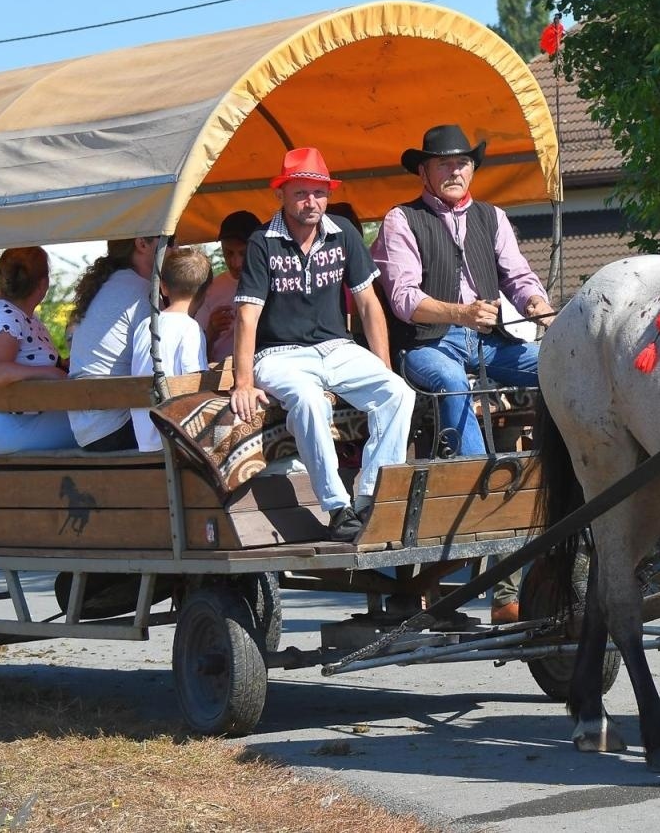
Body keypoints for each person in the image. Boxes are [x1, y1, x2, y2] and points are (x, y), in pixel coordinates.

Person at [371, 124, 556, 622]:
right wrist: (459, 313)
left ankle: (563, 459)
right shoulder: (401, 221)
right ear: (425, 172)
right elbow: (405, 300)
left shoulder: (491, 217)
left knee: (555, 366)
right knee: (450, 382)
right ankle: (477, 475)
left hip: (492, 341)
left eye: (463, 163)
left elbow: (518, 277)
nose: (455, 171)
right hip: (429, 344)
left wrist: (540, 307)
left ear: (473, 168)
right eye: (444, 164)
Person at [229, 147, 415, 543]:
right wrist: (242, 382)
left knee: (397, 392)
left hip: (336, 347)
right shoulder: (263, 241)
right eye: (301, 193)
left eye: (318, 193)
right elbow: (247, 315)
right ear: (281, 194)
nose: (311, 202)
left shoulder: (344, 233)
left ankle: (370, 496)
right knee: (308, 400)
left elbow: (368, 303)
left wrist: (382, 365)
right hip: (279, 354)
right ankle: (336, 506)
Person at [0, 247, 76, 453]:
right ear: (43, 284)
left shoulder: (15, 315)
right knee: (102, 426)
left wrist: (62, 365)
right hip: (12, 425)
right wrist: (49, 372)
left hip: (19, 421)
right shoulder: (7, 316)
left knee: (100, 424)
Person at [67, 237, 164, 451]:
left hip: (86, 429)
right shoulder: (142, 291)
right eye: (170, 240)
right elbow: (160, 359)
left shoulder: (106, 285)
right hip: (115, 427)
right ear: (142, 244)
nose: (175, 248)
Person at [131, 247, 211, 451]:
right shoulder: (190, 328)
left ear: (163, 288)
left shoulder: (145, 325)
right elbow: (194, 386)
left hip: (145, 437)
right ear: (206, 291)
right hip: (173, 438)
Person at [195, 210, 262, 364]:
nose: (235, 262)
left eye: (243, 253)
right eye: (228, 253)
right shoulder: (211, 288)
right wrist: (211, 331)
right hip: (219, 377)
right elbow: (193, 348)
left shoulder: (275, 283)